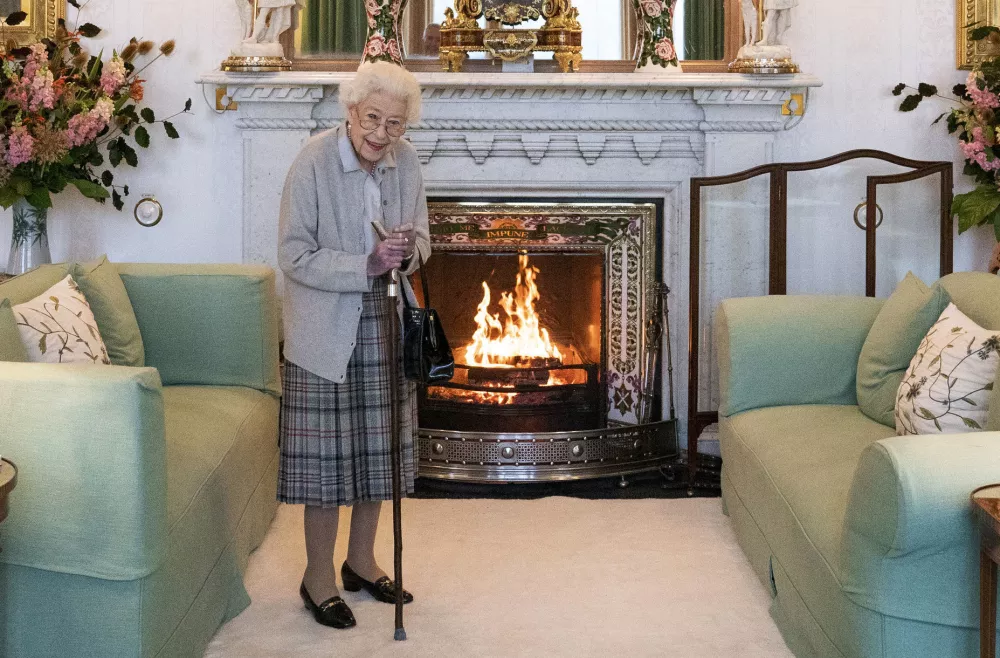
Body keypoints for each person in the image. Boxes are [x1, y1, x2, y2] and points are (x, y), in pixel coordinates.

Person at [277, 60, 429, 630]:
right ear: (350, 111)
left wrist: (406, 251)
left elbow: (424, 240)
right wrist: (364, 263)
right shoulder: (314, 161)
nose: (381, 134)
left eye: (394, 124)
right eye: (372, 119)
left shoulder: (406, 161)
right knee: (327, 464)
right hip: (324, 328)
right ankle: (317, 577)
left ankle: (360, 563)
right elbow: (292, 255)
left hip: (386, 319)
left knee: (376, 452)